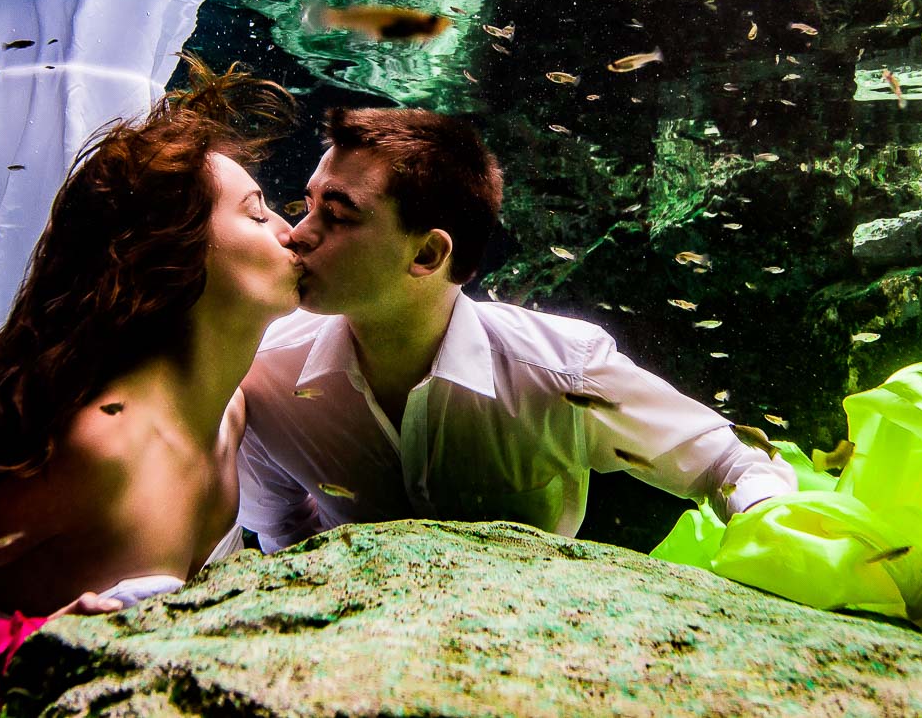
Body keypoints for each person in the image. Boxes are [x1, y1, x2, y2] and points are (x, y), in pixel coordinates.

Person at [0, 58, 300, 718]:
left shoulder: (232, 413)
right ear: (177, 254)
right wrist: (24, 647)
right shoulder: (95, 443)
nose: (288, 230)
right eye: (257, 212)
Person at [235, 108, 798, 552]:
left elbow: (728, 462)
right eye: (305, 206)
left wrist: (776, 539)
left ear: (428, 254)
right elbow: (280, 528)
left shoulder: (561, 371)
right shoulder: (263, 375)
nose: (296, 235)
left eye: (338, 214)